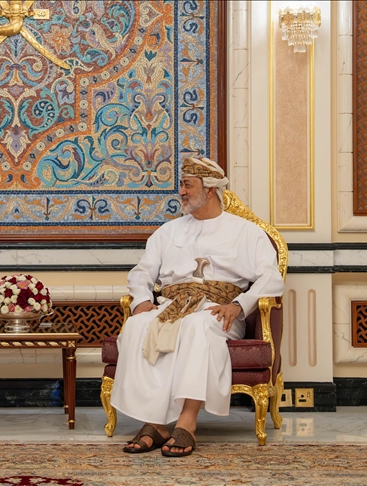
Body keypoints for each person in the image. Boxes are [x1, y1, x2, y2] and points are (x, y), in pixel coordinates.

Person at [110, 157, 284, 457]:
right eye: (182, 185)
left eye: (187, 185)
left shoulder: (247, 232)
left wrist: (239, 306)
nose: (181, 191)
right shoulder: (168, 231)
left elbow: (271, 278)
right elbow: (141, 273)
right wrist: (142, 301)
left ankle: (187, 422)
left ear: (210, 190)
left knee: (197, 326)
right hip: (171, 305)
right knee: (138, 325)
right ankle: (155, 424)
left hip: (217, 310)